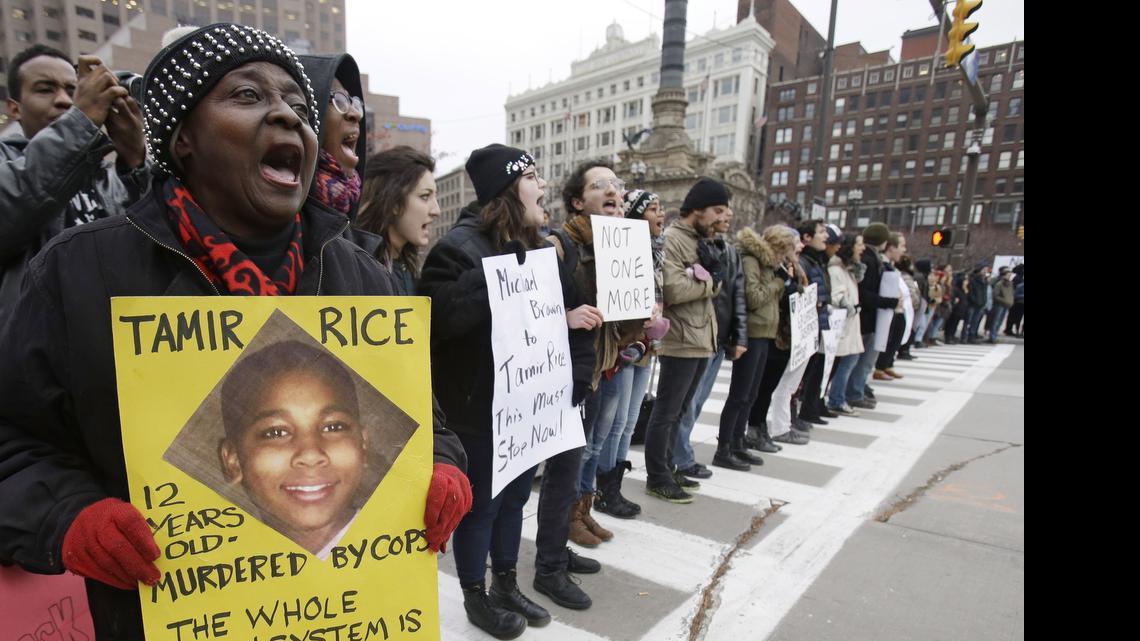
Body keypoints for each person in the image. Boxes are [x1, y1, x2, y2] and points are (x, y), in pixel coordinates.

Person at [0, 24, 470, 640]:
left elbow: (422, 419)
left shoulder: (361, 274)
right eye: (247, 96)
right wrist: (70, 517)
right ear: (183, 138)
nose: (285, 116)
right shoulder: (77, 271)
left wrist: (439, 466)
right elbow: (14, 439)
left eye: (299, 107)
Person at [418, 144, 598, 636]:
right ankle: (475, 596)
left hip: (531, 407)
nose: (543, 186)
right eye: (534, 176)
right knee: (484, 506)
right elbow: (439, 323)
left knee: (517, 497)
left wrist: (575, 380)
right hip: (478, 410)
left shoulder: (543, 249)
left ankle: (505, 583)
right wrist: (496, 281)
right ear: (507, 189)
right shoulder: (456, 249)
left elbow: (575, 319)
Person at [1, 45, 150, 319]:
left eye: (73, 91)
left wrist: (136, 159)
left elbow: (160, 242)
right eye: (45, 89)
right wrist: (80, 122)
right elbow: (13, 205)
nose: (65, 101)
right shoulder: (6, 159)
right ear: (14, 108)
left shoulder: (107, 177)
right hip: (32, 351)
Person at [547, 159, 637, 551]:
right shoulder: (558, 246)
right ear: (578, 202)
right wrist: (565, 317)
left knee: (591, 446)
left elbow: (623, 320)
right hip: (569, 370)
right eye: (601, 184)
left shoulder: (619, 246)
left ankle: (582, 510)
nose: (614, 190)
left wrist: (642, 309)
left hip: (602, 364)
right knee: (569, 454)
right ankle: (565, 520)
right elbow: (534, 310)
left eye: (617, 184)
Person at [218, 340, 367, 558]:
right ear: (233, 460)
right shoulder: (214, 574)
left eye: (334, 426)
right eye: (276, 433)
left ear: (363, 445)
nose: (310, 455)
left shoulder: (418, 562)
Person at [643, 177, 728, 503]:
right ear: (698, 209)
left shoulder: (699, 240)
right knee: (666, 411)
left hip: (701, 336)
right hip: (680, 337)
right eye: (717, 210)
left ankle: (670, 464)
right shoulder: (675, 239)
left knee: (679, 410)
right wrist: (711, 283)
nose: (722, 217)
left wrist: (709, 278)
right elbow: (675, 289)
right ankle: (658, 476)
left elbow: (705, 283)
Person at [594, 189, 667, 519]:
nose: (660, 214)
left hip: (645, 344)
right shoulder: (618, 246)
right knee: (615, 422)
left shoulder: (657, 251)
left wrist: (656, 310)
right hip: (623, 346)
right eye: (653, 208)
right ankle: (604, 490)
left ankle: (615, 486)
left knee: (628, 423)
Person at [674, 204, 750, 476]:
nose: (726, 217)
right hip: (696, 333)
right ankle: (680, 456)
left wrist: (739, 337)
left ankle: (681, 452)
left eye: (729, 213)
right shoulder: (691, 246)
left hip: (718, 336)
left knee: (699, 399)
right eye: (720, 212)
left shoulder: (729, 251)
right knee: (688, 401)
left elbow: (737, 294)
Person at [726, 224, 785, 454]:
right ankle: (727, 445)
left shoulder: (768, 265)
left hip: (765, 332)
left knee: (750, 394)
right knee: (740, 394)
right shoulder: (753, 261)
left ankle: (739, 441)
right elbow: (754, 297)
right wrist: (778, 283)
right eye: (783, 252)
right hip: (752, 332)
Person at [354, 146, 440, 294]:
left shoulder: (406, 269)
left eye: (435, 196)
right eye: (425, 196)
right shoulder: (356, 267)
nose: (436, 211)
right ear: (393, 202)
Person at [844, 223, 899, 410]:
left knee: (862, 361)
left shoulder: (872, 259)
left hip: (868, 317)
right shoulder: (869, 259)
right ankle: (854, 392)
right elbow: (865, 293)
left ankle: (856, 390)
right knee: (860, 361)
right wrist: (888, 302)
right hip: (866, 318)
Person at [795, 219, 834, 426]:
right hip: (808, 326)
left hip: (818, 323)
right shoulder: (804, 262)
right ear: (807, 237)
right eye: (822, 232)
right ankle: (796, 416)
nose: (826, 236)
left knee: (814, 369)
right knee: (800, 376)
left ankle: (807, 411)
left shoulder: (816, 261)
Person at [825, 233, 866, 415]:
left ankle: (836, 397)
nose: (862, 248)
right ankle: (836, 399)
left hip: (850, 324)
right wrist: (848, 306)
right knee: (844, 362)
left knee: (850, 359)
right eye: (859, 244)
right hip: (842, 324)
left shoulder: (847, 270)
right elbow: (837, 295)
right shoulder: (836, 270)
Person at [989, 266, 1014, 343]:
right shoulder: (999, 284)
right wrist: (1004, 301)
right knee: (995, 321)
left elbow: (1011, 294)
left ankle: (995, 335)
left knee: (1000, 321)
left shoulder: (1010, 284)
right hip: (999, 305)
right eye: (1008, 274)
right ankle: (992, 337)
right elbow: (995, 295)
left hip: (1006, 305)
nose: (1010, 276)